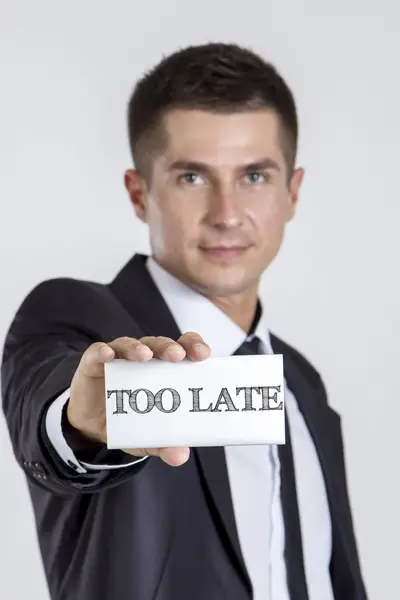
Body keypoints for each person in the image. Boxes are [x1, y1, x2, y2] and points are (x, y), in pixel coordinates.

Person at [1, 42, 367, 600]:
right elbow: (49, 419)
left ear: (292, 193)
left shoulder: (304, 384)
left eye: (254, 176)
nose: (226, 214)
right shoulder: (77, 322)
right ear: (139, 192)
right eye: (192, 177)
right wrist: (85, 423)